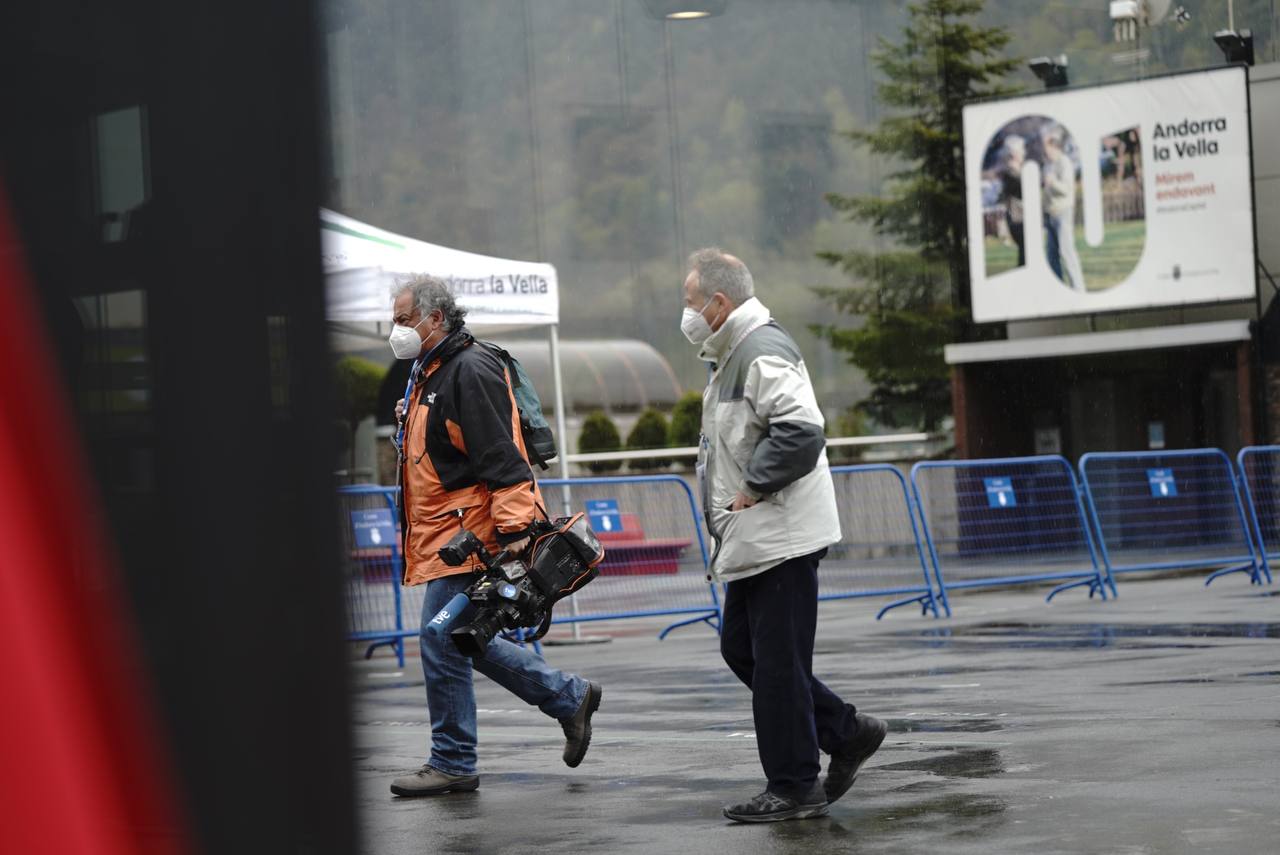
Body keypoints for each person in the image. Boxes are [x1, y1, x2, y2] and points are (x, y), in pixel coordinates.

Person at [681, 248, 887, 823]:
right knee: (746, 651)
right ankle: (846, 733)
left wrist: (753, 486)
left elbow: (800, 431)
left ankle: (795, 786)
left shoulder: (760, 350)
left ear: (719, 302)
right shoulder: (733, 352)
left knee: (775, 664)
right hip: (758, 538)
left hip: (781, 536)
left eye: (691, 302)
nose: (687, 314)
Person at [386, 274, 602, 798]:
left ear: (436, 318)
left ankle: (454, 761)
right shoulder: (431, 372)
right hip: (450, 534)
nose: (397, 330)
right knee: (461, 638)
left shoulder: (469, 369)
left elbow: (502, 457)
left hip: (472, 535)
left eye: (404, 319)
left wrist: (514, 533)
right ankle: (568, 697)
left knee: (442, 638)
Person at [1042, 128, 1086, 292]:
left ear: (1054, 146)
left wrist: (1052, 182)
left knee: (1067, 252)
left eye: (1047, 147)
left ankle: (1078, 289)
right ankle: (1059, 290)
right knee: (1052, 255)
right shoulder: (1048, 164)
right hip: (1050, 214)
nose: (1045, 150)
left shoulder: (1064, 163)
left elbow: (1067, 189)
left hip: (1063, 213)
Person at [996, 135, 1027, 267]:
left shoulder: (1016, 171)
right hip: (1017, 219)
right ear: (1014, 153)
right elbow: (1022, 192)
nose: (1024, 153)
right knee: (1026, 254)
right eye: (1022, 150)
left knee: (1026, 255)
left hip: (1019, 217)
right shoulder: (1010, 174)